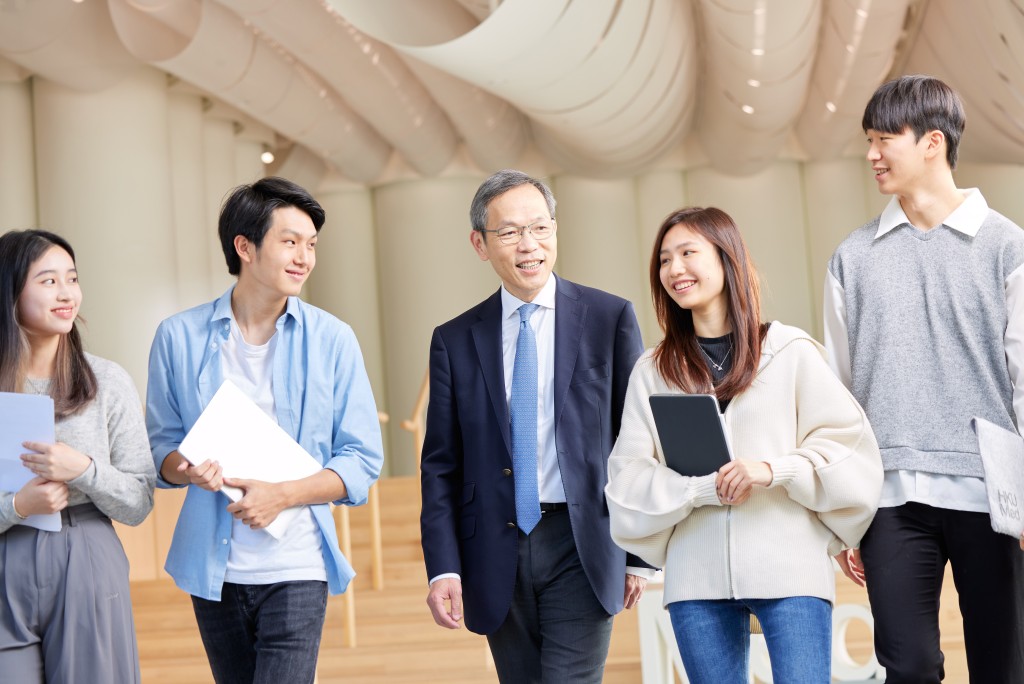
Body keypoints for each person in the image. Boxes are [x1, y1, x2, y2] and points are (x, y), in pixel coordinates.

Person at [605, 207, 882, 683]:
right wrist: (699, 490)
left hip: (792, 572)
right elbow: (627, 476)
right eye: (664, 261)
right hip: (695, 580)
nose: (674, 269)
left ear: (726, 258)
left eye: (688, 253)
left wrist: (773, 470)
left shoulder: (791, 351)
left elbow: (848, 445)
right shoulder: (653, 370)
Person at [824, 75, 1024, 682]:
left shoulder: (1006, 247)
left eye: (885, 139)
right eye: (869, 140)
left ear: (933, 142)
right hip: (890, 500)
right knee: (908, 666)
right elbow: (838, 394)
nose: (871, 155)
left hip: (989, 495)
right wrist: (842, 513)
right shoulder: (852, 257)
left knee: (1004, 665)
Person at [146, 177, 383, 684]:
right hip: (213, 570)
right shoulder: (177, 336)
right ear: (245, 247)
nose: (304, 257)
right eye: (290, 241)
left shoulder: (333, 340)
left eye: (311, 244)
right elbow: (161, 446)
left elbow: (362, 459)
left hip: (298, 563)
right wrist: (186, 469)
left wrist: (284, 495)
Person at [419, 169, 652, 683]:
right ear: (480, 244)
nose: (529, 245)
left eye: (541, 228)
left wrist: (639, 554)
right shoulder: (454, 340)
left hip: (584, 539)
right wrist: (444, 566)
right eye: (510, 232)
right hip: (493, 549)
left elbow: (636, 439)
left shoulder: (609, 319)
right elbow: (441, 465)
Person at [0, 229, 155, 683]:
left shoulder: (108, 382)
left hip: (86, 553)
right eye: (48, 281)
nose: (66, 292)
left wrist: (84, 471)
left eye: (71, 278)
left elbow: (140, 501)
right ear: (10, 291)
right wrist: (18, 506)